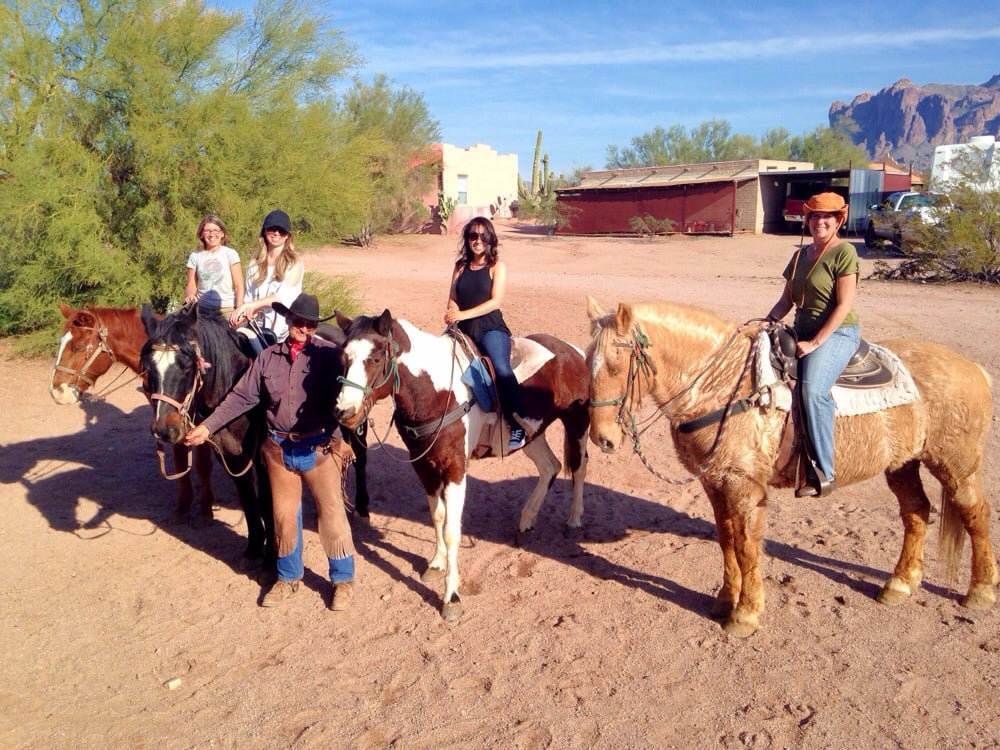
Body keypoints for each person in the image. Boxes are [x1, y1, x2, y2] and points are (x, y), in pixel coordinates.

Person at [185, 293, 357, 611]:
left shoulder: (330, 355)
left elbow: (354, 387)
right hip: (279, 449)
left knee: (332, 515)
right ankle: (288, 577)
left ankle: (343, 580)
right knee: (283, 518)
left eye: (310, 324)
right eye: (299, 322)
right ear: (288, 320)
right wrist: (207, 427)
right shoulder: (267, 358)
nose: (304, 328)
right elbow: (241, 397)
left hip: (320, 447)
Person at [765, 192, 860, 497]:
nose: (820, 222)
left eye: (827, 216)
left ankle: (823, 470)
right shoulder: (799, 256)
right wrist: (764, 323)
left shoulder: (844, 252)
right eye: (815, 216)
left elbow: (844, 305)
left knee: (812, 390)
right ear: (807, 220)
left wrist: (816, 342)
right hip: (800, 331)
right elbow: (786, 301)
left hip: (837, 333)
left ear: (838, 220)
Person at [444, 217, 526, 450]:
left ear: (490, 239)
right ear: (467, 239)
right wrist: (451, 313)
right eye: (473, 236)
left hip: (490, 327)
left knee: (501, 368)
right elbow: (453, 297)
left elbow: (495, 301)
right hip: (463, 328)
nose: (477, 241)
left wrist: (462, 315)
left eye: (483, 236)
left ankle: (517, 423)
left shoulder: (496, 267)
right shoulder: (460, 267)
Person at [229, 209, 304, 353]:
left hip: (284, 328)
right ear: (264, 231)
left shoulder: (294, 263)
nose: (276, 233)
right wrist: (242, 314)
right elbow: (249, 298)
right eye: (272, 229)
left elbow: (281, 298)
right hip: (256, 327)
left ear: (288, 236)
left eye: (281, 231)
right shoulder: (254, 264)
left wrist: (249, 306)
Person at [184, 214, 244, 316]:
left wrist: (238, 310)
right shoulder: (195, 255)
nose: (212, 234)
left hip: (226, 310)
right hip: (202, 310)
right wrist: (190, 296)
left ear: (222, 233)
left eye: (216, 230)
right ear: (201, 234)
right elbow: (191, 284)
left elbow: (239, 286)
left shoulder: (230, 254)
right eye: (207, 231)